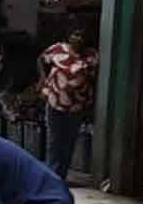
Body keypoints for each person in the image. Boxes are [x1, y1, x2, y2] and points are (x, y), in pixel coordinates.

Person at [38, 19, 99, 181]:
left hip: (76, 107)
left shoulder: (91, 55)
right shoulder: (57, 49)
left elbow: (92, 78)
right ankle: (52, 176)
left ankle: (60, 176)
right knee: (54, 141)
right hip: (54, 103)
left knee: (69, 143)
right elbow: (41, 60)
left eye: (82, 35)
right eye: (75, 34)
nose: (79, 38)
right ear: (69, 35)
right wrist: (44, 82)